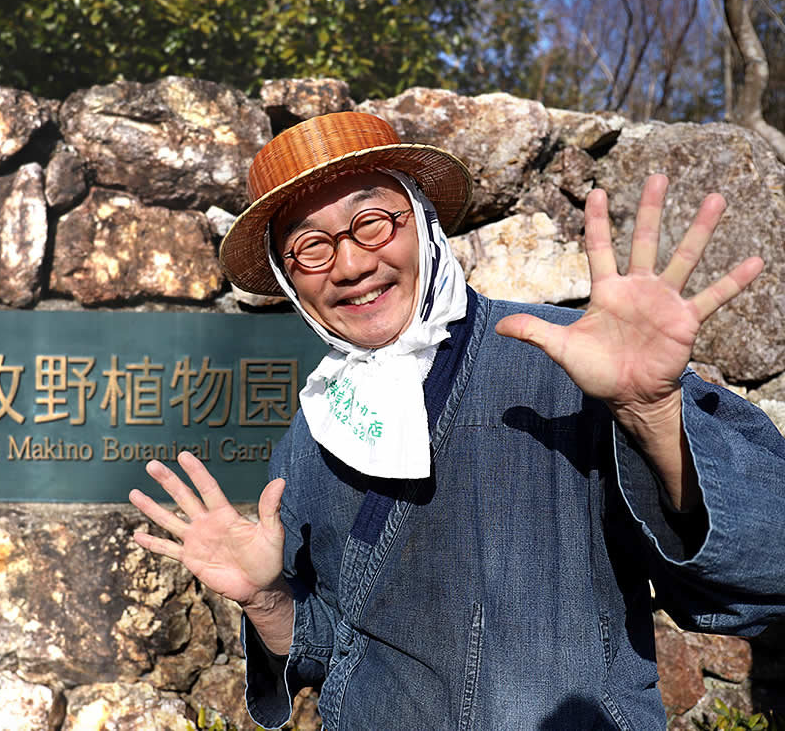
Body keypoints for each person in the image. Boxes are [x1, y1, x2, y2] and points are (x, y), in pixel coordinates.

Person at [128, 111, 785, 729]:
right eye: (311, 248)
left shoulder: (575, 361)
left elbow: (763, 571)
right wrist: (264, 597)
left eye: (374, 223)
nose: (352, 264)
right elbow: (333, 648)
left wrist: (649, 411)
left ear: (423, 223)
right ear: (291, 279)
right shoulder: (315, 432)